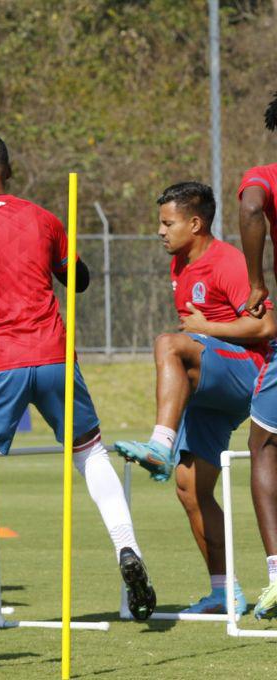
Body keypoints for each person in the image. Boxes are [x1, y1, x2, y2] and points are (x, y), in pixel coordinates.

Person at [0, 132, 156, 633]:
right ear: (11, 169)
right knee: (90, 454)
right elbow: (78, 280)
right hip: (55, 356)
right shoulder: (44, 218)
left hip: (0, 362)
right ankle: (126, 545)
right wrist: (62, 252)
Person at [115, 182, 272, 615]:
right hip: (208, 383)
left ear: (196, 223)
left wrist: (207, 329)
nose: (160, 232)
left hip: (245, 371)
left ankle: (159, 444)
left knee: (169, 343)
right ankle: (224, 591)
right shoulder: (179, 266)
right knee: (190, 489)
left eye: (168, 223)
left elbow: (266, 328)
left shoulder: (229, 262)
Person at [236, 90, 277, 620]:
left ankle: (276, 574)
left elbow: (250, 206)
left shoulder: (265, 175)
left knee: (264, 445)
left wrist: (255, 278)